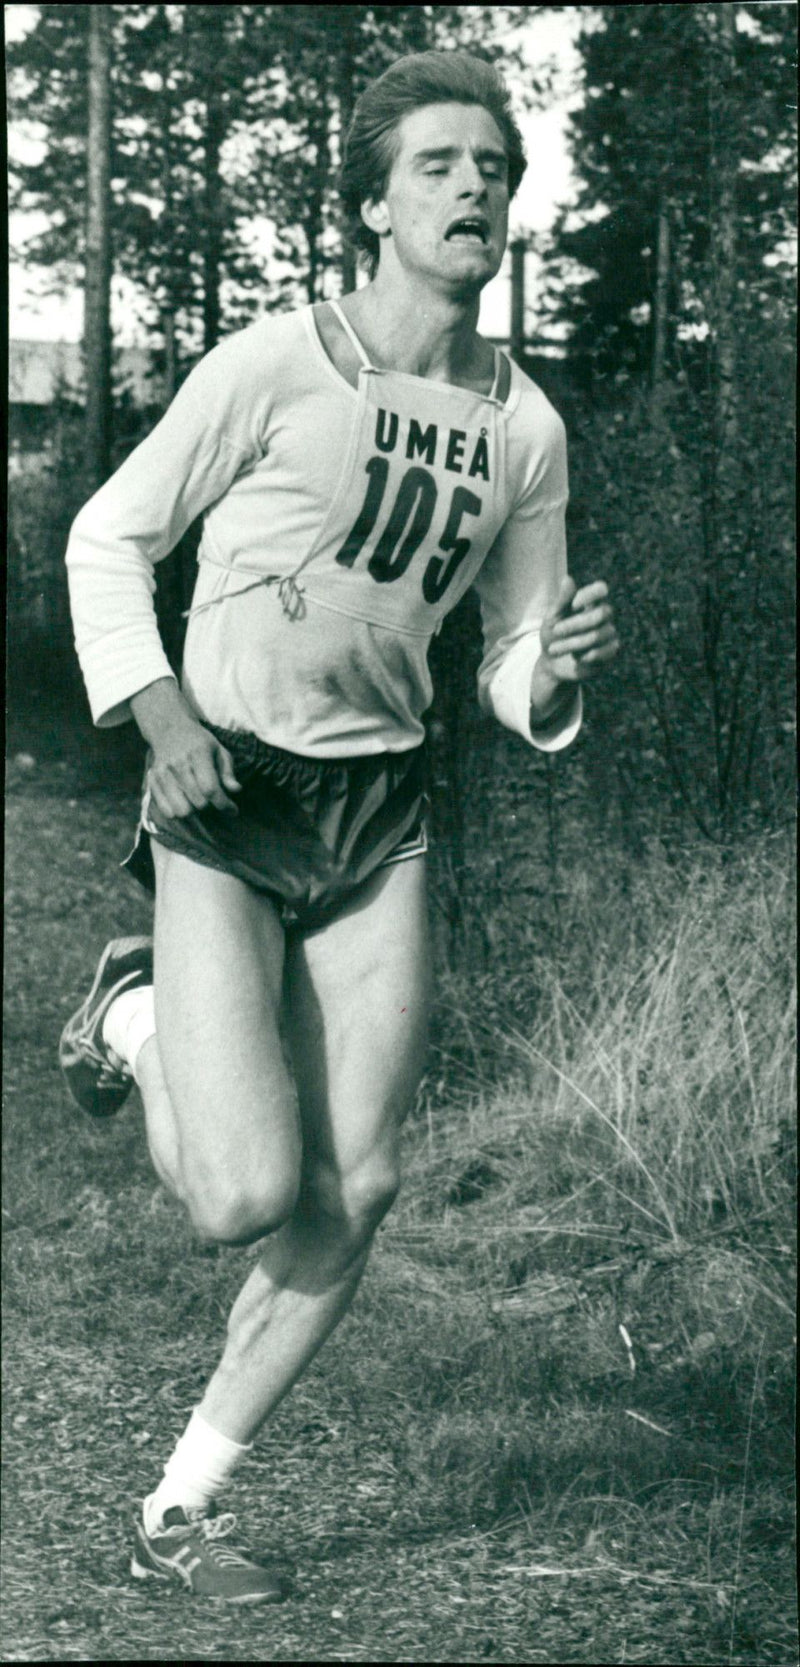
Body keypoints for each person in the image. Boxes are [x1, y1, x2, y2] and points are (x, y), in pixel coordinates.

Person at [60, 50, 619, 1604]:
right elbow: (112, 539)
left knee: (357, 1186)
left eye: (493, 165)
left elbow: (505, 658)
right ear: (374, 203)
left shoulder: (528, 430)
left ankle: (179, 1509)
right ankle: (137, 1014)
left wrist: (543, 672)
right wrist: (161, 723)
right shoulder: (273, 363)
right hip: (229, 789)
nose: (472, 188)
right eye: (437, 164)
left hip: (381, 809)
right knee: (240, 1195)